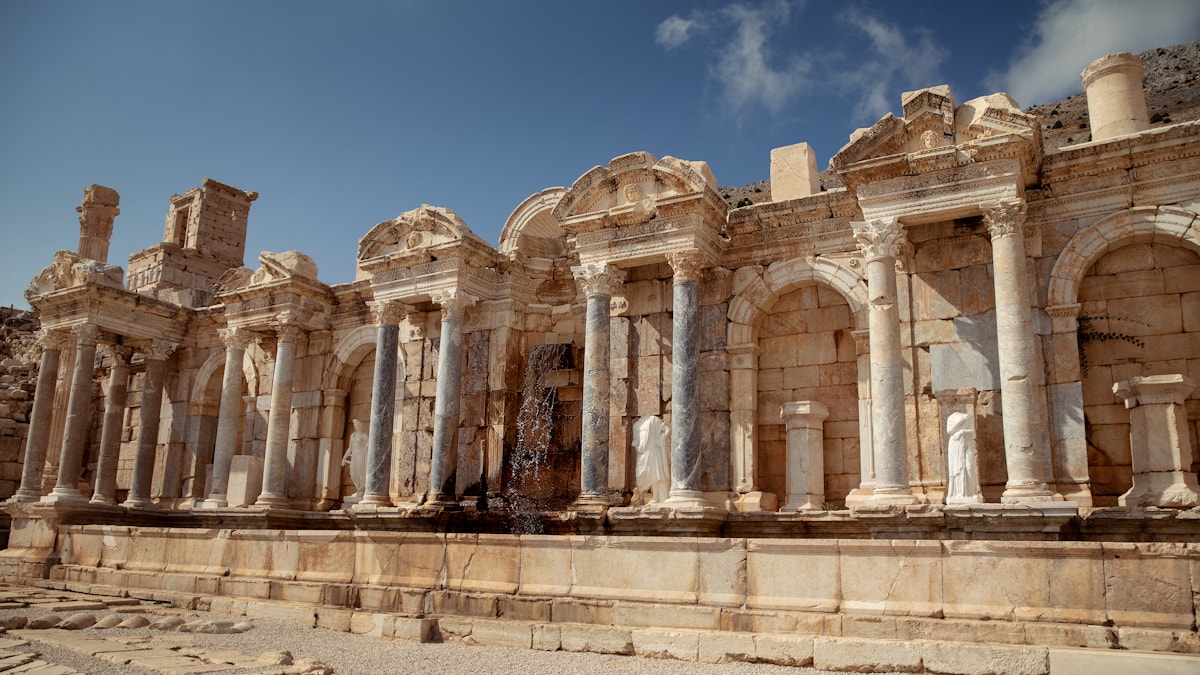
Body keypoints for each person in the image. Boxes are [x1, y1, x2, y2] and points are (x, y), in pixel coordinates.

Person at [633, 415, 670, 505]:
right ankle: (640, 498)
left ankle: (655, 498)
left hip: (652, 451)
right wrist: (637, 447)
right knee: (640, 474)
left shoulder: (653, 420)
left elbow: (668, 430)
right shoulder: (636, 425)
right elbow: (635, 441)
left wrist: (661, 440)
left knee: (655, 474)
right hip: (642, 454)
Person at [946, 412, 982, 503]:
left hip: (967, 441)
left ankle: (971, 492)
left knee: (969, 467)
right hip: (955, 442)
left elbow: (972, 430)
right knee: (957, 467)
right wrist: (960, 422)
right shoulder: (951, 417)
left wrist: (963, 431)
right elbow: (949, 430)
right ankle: (959, 493)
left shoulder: (968, 417)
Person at [342, 419, 368, 503]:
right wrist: (344, 458)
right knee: (353, 474)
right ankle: (358, 489)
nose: (355, 426)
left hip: (361, 455)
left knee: (361, 473)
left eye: (356, 424)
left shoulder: (364, 436)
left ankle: (361, 491)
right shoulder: (353, 435)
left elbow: (367, 447)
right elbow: (350, 448)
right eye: (354, 425)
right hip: (354, 455)